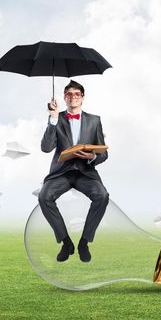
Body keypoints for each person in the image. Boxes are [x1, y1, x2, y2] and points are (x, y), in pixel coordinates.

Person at [38, 80, 109, 263]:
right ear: (64, 97)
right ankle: (66, 242)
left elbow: (103, 153)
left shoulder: (94, 120)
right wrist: (53, 118)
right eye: (69, 94)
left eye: (77, 94)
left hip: (85, 171)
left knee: (102, 195)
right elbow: (46, 148)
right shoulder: (57, 118)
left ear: (82, 98)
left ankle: (84, 242)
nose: (73, 97)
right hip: (62, 172)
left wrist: (91, 156)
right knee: (44, 197)